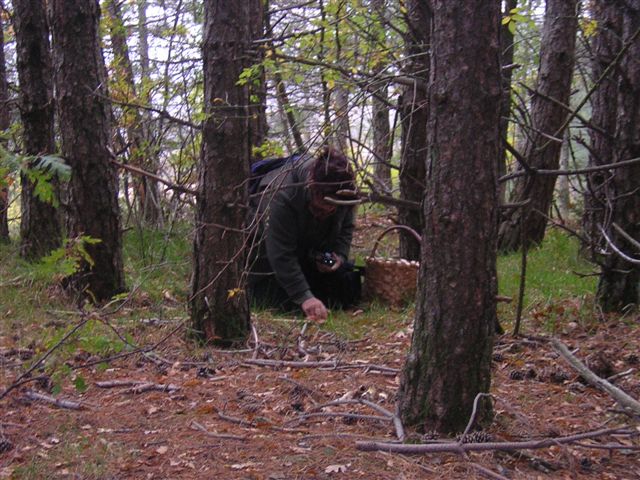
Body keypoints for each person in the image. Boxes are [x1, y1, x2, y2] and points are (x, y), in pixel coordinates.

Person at [248, 147, 362, 322]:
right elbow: (280, 253)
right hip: (265, 260)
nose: (329, 211)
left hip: (306, 253)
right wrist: (304, 296)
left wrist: (339, 255)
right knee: (279, 303)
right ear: (312, 188)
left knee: (345, 289)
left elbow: (346, 227)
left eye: (333, 208)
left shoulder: (344, 192)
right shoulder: (281, 194)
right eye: (321, 207)